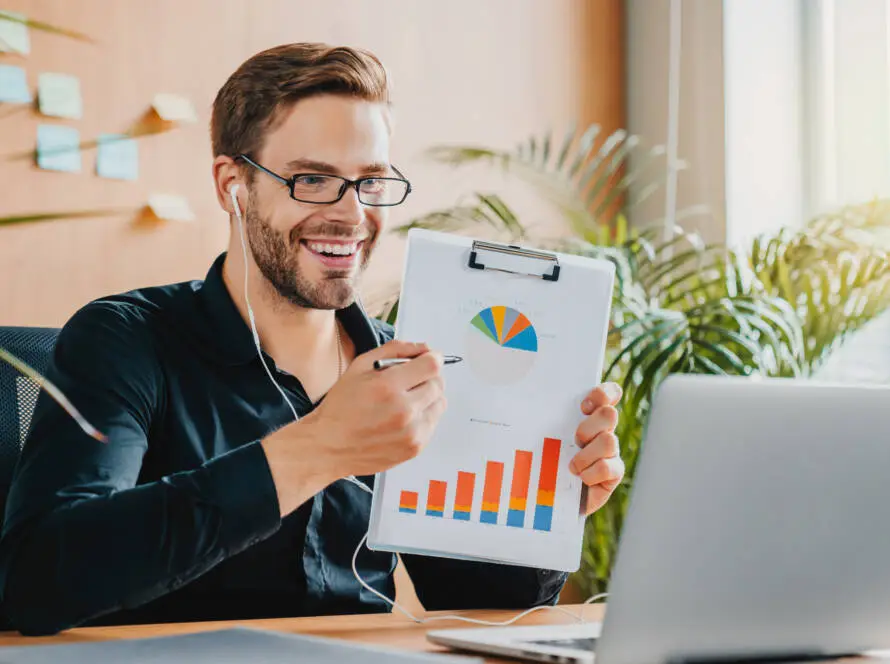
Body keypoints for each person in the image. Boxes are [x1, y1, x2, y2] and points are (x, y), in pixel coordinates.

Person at [0, 43, 625, 636]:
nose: (352, 215)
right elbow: (39, 579)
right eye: (313, 180)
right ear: (231, 186)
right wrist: (317, 448)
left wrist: (548, 512)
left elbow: (475, 603)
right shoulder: (125, 340)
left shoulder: (407, 367)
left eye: (370, 182)